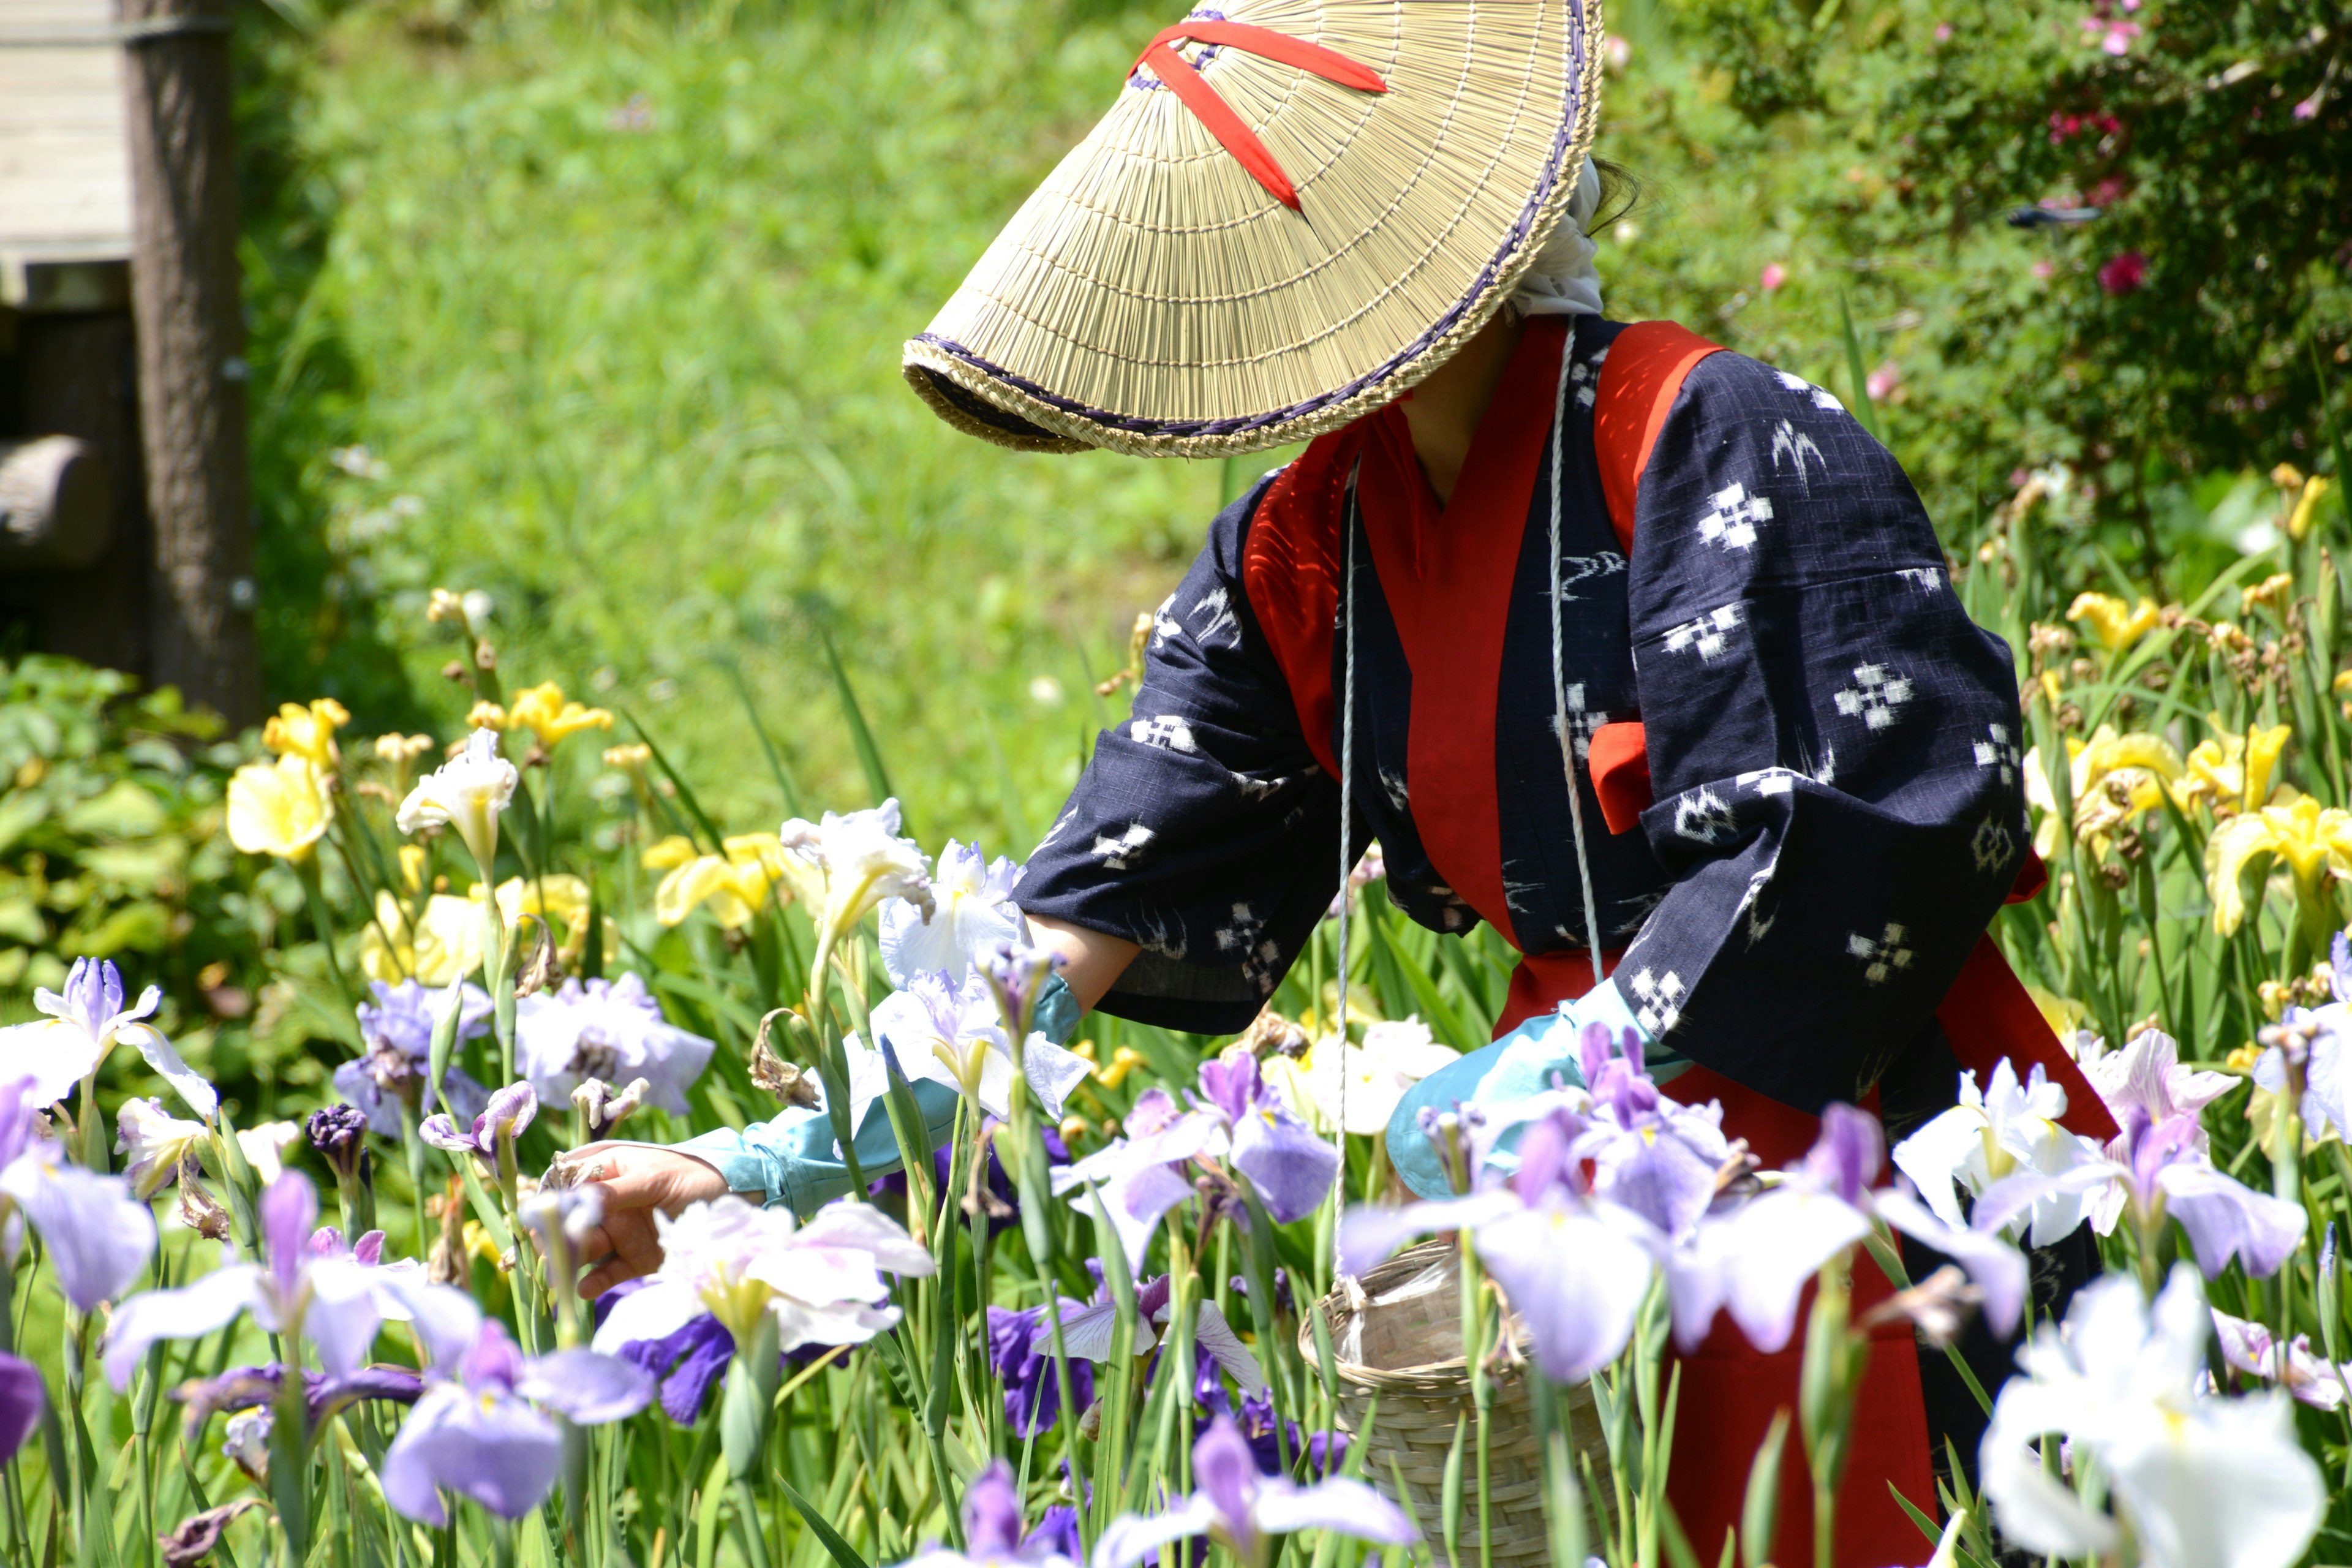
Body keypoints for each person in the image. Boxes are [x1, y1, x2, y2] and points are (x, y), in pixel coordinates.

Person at [570, 7, 2114, 1564]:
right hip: (1561, 1196)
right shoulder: (1299, 550)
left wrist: (1566, 1065)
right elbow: (1086, 914)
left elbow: (1880, 828)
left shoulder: (1705, 434)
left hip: (1840, 1135)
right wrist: (757, 1164)